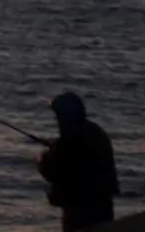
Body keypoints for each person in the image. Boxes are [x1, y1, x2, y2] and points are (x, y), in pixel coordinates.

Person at [37, 91, 118, 230]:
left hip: (78, 209)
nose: (57, 121)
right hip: (103, 205)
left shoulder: (68, 142)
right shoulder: (96, 132)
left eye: (58, 117)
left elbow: (52, 170)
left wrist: (42, 160)